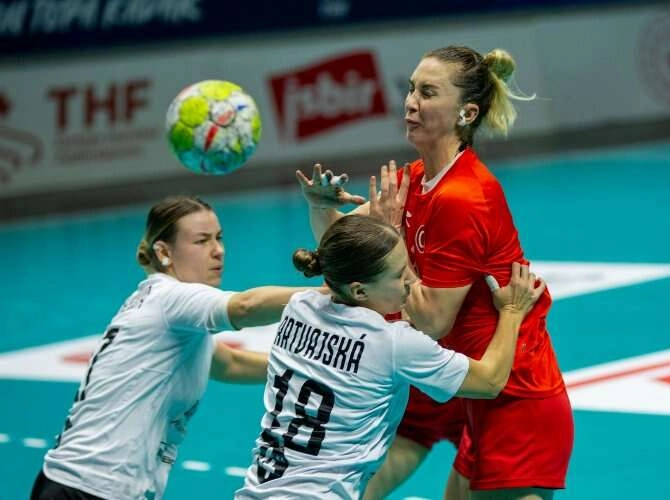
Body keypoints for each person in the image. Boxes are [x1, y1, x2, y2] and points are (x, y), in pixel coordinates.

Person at [296, 46, 573, 500]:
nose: (410, 102)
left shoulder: (464, 197)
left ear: (466, 112)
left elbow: (432, 320)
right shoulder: (419, 177)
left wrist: (391, 234)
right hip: (477, 395)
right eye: (411, 89)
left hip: (515, 399)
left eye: (427, 93)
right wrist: (320, 208)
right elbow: (344, 249)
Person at [235, 214, 546, 499]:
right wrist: (512, 311)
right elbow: (489, 381)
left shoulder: (297, 308)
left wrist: (382, 235)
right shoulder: (393, 343)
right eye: (399, 275)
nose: (411, 281)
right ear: (359, 291)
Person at [31, 195, 316, 500]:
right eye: (202, 241)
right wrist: (330, 296)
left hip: (79, 483)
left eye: (219, 238)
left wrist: (312, 368)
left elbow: (230, 363)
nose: (218, 250)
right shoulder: (170, 298)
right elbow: (246, 307)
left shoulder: (160, 307)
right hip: (89, 488)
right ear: (164, 252)